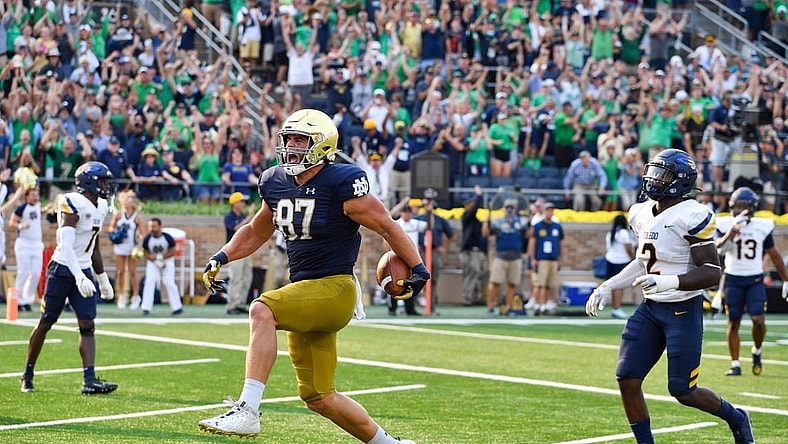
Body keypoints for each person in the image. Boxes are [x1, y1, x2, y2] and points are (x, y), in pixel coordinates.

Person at [198, 109, 428, 442]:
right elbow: (255, 231)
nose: (291, 146)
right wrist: (221, 256)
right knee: (319, 397)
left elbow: (386, 226)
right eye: (288, 139)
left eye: (299, 140)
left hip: (335, 289)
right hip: (306, 290)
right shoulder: (275, 180)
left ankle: (247, 410)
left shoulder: (341, 182)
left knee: (262, 309)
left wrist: (418, 268)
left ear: (321, 145)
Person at [585, 149, 755, 444]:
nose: (653, 179)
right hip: (651, 309)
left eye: (662, 174)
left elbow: (712, 271)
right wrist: (608, 286)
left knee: (683, 390)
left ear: (679, 181)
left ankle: (737, 418)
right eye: (653, 171)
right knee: (627, 378)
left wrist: (668, 282)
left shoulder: (692, 214)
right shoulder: (640, 212)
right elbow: (643, 261)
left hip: (682, 310)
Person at [21, 161, 119, 395]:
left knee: (87, 325)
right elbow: (65, 244)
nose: (106, 185)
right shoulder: (71, 201)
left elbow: (93, 245)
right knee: (46, 322)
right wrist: (78, 277)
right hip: (62, 269)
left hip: (84, 270)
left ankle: (89, 380)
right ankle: (28, 373)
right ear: (87, 182)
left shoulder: (101, 205)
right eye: (102, 181)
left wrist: (102, 278)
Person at [715, 187, 788, 376]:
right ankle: (736, 363)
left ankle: (757, 350)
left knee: (759, 321)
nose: (742, 211)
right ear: (732, 207)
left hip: (755, 279)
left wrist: (786, 279)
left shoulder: (761, 226)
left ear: (753, 207)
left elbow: (774, 254)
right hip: (733, 279)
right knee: (733, 322)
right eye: (739, 207)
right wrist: (733, 230)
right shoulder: (726, 224)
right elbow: (718, 248)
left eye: (745, 206)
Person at [483, 198, 527, 316]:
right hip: (501, 256)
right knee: (495, 282)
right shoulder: (498, 222)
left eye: (512, 207)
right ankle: (490, 307)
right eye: (508, 207)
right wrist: (487, 222)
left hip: (516, 257)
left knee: (512, 283)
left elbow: (529, 234)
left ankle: (508, 307)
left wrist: (531, 219)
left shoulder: (520, 222)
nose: (509, 210)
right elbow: (486, 233)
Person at [388, 198, 428, 316]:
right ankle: (392, 308)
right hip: (397, 256)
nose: (407, 214)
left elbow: (429, 226)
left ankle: (410, 308)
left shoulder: (415, 223)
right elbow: (389, 216)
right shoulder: (397, 223)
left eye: (409, 212)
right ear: (402, 213)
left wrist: (428, 209)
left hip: (411, 257)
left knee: (410, 283)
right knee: (395, 282)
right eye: (405, 212)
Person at [415, 194, 453, 315]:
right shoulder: (418, 219)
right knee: (416, 277)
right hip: (421, 250)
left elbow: (450, 235)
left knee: (433, 279)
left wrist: (444, 248)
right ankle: (413, 305)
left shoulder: (440, 220)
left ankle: (431, 306)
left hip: (434, 250)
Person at [8, 187, 44, 312]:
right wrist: (20, 225)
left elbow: (39, 214)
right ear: (27, 197)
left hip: (37, 244)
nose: (35, 197)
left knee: (35, 273)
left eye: (37, 195)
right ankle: (18, 300)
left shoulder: (38, 206)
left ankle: (27, 299)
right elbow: (12, 222)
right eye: (33, 195)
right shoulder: (22, 208)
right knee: (23, 271)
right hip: (24, 243)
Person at [108, 190, 145, 310]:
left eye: (128, 200)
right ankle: (122, 295)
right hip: (120, 245)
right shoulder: (118, 214)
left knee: (133, 272)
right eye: (124, 199)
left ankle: (135, 296)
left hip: (132, 246)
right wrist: (116, 233)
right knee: (121, 271)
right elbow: (111, 227)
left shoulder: (137, 217)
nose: (125, 202)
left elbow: (143, 233)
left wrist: (139, 244)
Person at [140, 218, 183, 316]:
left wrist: (160, 258)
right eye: (150, 226)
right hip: (153, 262)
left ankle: (177, 307)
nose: (152, 229)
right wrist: (152, 258)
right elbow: (145, 251)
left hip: (167, 260)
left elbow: (172, 252)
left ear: (159, 227)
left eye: (154, 226)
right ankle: (146, 307)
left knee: (169, 283)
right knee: (150, 281)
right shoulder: (147, 238)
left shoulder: (167, 237)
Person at [528, 202, 563, 315]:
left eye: (551, 210)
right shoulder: (537, 226)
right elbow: (532, 243)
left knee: (549, 284)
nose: (549, 212)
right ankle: (538, 304)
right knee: (540, 284)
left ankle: (546, 305)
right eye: (547, 210)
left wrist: (560, 258)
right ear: (543, 212)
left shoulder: (557, 227)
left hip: (553, 258)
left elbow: (561, 244)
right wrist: (533, 258)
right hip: (541, 258)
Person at [224, 192, 256, 315]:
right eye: (241, 202)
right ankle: (232, 305)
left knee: (247, 277)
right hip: (234, 250)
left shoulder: (242, 215)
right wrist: (249, 218)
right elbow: (236, 228)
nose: (243, 204)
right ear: (235, 203)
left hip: (246, 249)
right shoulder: (229, 217)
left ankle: (240, 303)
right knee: (236, 277)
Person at [460, 187, 488, 306]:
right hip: (470, 251)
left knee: (481, 273)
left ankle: (477, 297)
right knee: (472, 273)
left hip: (479, 250)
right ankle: (467, 297)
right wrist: (479, 196)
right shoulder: (466, 217)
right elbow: (476, 207)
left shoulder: (476, 220)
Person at [604, 214, 635, 319]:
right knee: (619, 287)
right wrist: (634, 258)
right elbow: (628, 248)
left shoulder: (611, 233)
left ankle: (615, 307)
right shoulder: (623, 233)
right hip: (621, 261)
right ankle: (617, 308)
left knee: (614, 286)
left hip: (610, 260)